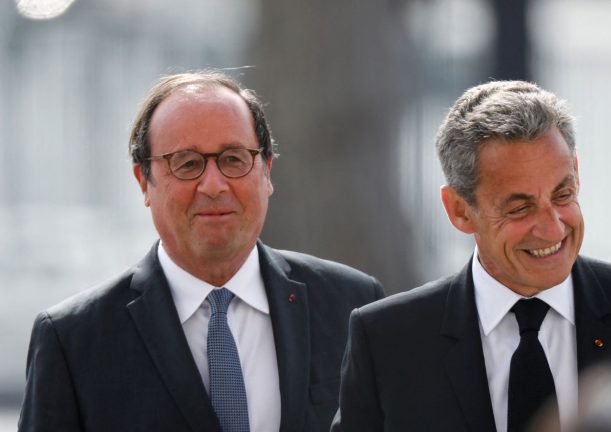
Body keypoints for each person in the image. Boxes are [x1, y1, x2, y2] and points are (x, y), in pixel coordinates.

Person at [332, 81, 611, 432]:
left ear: (576, 174)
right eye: (520, 209)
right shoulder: (389, 340)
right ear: (460, 211)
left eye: (563, 196)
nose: (551, 228)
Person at [19, 72, 384, 432]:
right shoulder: (73, 339)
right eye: (187, 163)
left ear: (267, 172)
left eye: (233, 159)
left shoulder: (351, 304)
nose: (213, 185)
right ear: (144, 181)